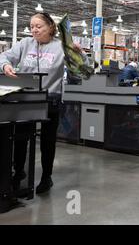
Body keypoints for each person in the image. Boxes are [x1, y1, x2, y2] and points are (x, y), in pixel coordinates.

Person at [0, 12, 85, 202]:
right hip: (26, 97)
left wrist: (79, 53)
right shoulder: (25, 44)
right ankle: (19, 172)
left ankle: (47, 177)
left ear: (51, 27)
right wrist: (5, 66)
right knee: (20, 138)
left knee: (48, 140)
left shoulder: (61, 46)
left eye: (39, 26)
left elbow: (83, 71)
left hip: (51, 98)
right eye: (31, 26)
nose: (34, 29)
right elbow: (4, 56)